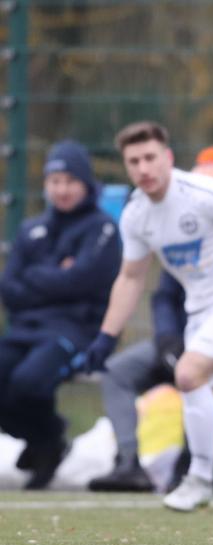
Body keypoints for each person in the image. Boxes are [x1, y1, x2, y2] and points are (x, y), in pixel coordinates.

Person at [83, 123, 213, 512]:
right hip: (201, 311)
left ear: (167, 158)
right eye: (133, 161)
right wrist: (106, 336)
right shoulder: (136, 214)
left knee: (188, 374)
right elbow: (132, 276)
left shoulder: (203, 193)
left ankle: (199, 477)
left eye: (150, 157)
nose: (143, 168)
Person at [0, 140, 121, 489]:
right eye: (55, 181)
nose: (62, 189)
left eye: (70, 181)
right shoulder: (31, 229)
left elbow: (84, 280)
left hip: (76, 331)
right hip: (25, 329)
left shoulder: (102, 228)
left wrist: (36, 276)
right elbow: (9, 288)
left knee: (28, 382)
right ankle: (47, 440)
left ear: (85, 183)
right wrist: (59, 276)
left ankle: (46, 441)